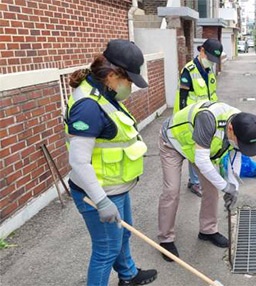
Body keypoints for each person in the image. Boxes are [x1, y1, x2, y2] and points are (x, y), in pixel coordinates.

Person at [65, 39, 157, 285]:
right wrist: (102, 201)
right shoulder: (88, 107)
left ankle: (128, 275)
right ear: (114, 74)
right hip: (99, 192)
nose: (130, 86)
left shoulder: (104, 92)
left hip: (116, 186)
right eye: (129, 80)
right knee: (105, 250)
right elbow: (78, 161)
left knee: (123, 234)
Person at [157, 100, 256, 262]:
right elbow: (202, 161)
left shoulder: (243, 124)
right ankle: (166, 239)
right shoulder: (208, 119)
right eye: (239, 142)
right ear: (230, 129)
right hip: (173, 142)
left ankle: (207, 230)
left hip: (199, 147)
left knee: (212, 189)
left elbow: (235, 157)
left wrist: (233, 187)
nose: (239, 145)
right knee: (171, 190)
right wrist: (225, 186)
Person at [173, 38, 224, 197]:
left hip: (207, 116)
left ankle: (200, 178)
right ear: (202, 51)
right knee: (194, 149)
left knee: (204, 148)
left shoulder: (209, 71)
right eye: (209, 58)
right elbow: (182, 98)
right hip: (192, 118)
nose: (211, 62)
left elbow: (212, 94)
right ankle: (194, 182)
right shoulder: (188, 70)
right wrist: (184, 121)